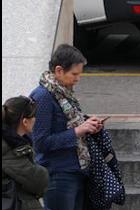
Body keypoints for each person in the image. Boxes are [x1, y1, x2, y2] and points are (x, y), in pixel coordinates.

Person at [30, 45, 105, 210]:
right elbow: (41, 143)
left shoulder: (63, 92)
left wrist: (88, 125)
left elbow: (67, 124)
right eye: (74, 74)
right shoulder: (43, 97)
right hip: (58, 174)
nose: (78, 79)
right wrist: (79, 130)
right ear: (59, 71)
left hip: (76, 169)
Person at [2, 95, 48, 210]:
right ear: (25, 122)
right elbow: (39, 181)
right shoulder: (10, 148)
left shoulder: (14, 143)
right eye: (33, 116)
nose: (35, 119)